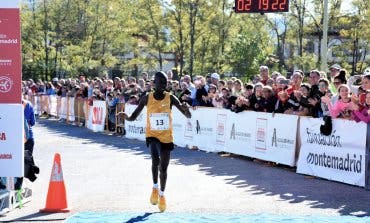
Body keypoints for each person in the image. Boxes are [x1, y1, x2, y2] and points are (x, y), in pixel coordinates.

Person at [118, 71, 191, 212]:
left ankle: (162, 195)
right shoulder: (147, 98)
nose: (163, 85)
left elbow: (186, 115)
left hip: (166, 137)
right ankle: (155, 187)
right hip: (152, 135)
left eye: (165, 83)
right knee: (155, 160)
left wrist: (187, 110)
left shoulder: (171, 98)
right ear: (154, 83)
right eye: (160, 82)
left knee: (163, 168)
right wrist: (126, 118)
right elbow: (134, 116)